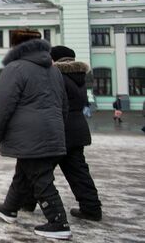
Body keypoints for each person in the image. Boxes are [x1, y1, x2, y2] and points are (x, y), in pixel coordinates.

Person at [0, 28, 72, 240]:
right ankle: (9, 208)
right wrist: (58, 127)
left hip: (29, 133)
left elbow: (2, 104)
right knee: (24, 171)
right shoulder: (54, 70)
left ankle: (58, 222)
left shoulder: (15, 68)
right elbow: (63, 105)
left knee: (39, 176)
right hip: (51, 130)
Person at [47, 45, 102, 221]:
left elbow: (53, 102)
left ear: (55, 59)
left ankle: (26, 202)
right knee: (79, 172)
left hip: (61, 129)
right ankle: (91, 207)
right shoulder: (79, 77)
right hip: (78, 129)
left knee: (38, 169)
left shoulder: (57, 76)